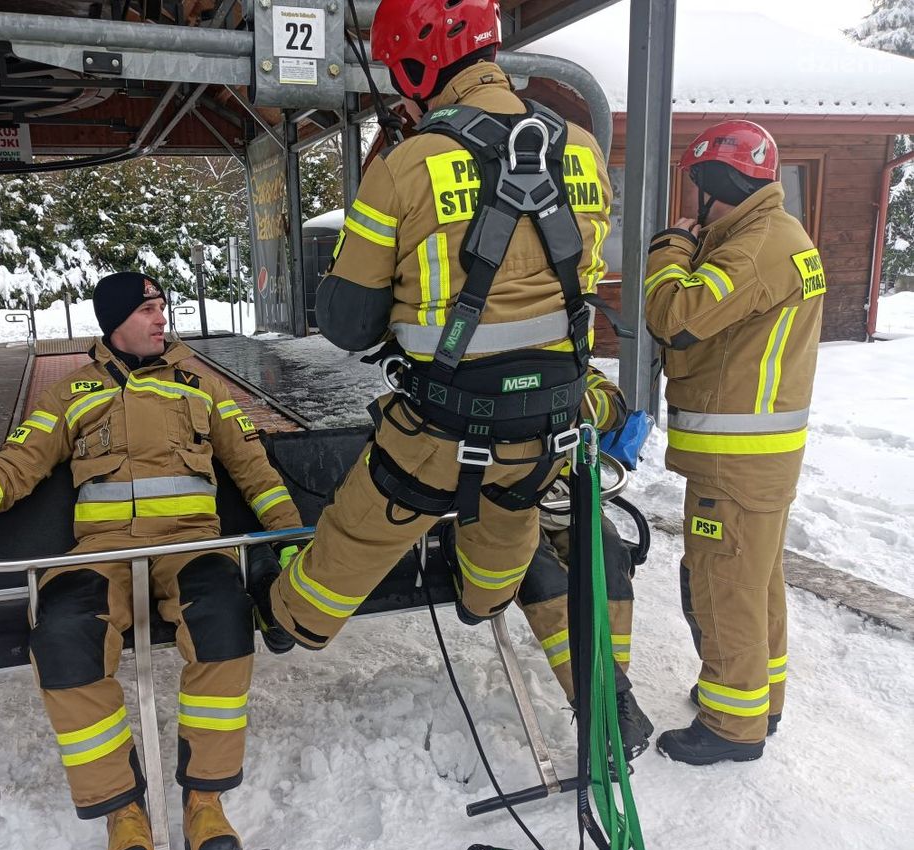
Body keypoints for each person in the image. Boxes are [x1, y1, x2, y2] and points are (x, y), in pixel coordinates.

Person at [0, 272, 304, 850]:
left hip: (189, 546)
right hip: (103, 554)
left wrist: (289, 538)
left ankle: (205, 803)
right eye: (148, 310)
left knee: (223, 624)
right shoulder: (72, 394)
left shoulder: (201, 387)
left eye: (162, 307)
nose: (162, 318)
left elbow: (255, 471)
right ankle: (123, 814)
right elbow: (14, 470)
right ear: (116, 322)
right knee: (63, 639)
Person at [251, 0, 615, 656]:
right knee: (510, 514)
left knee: (357, 533)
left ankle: (289, 620)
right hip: (549, 419)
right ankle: (483, 601)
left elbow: (348, 323)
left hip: (441, 427)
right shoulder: (582, 149)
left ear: (418, 69)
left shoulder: (405, 165)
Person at [644, 121, 825, 764]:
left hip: (736, 460)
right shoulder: (777, 235)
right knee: (756, 582)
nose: (695, 203)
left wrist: (669, 248)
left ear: (716, 183)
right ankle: (757, 699)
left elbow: (673, 317)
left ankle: (730, 725)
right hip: (759, 457)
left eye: (698, 187)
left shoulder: (752, 249)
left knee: (723, 585)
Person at [512, 367, 653, 758]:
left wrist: (565, 401)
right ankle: (599, 704)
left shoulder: (563, 357)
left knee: (608, 554)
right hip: (492, 502)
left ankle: (615, 697)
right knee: (541, 577)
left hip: (559, 495)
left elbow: (613, 404)